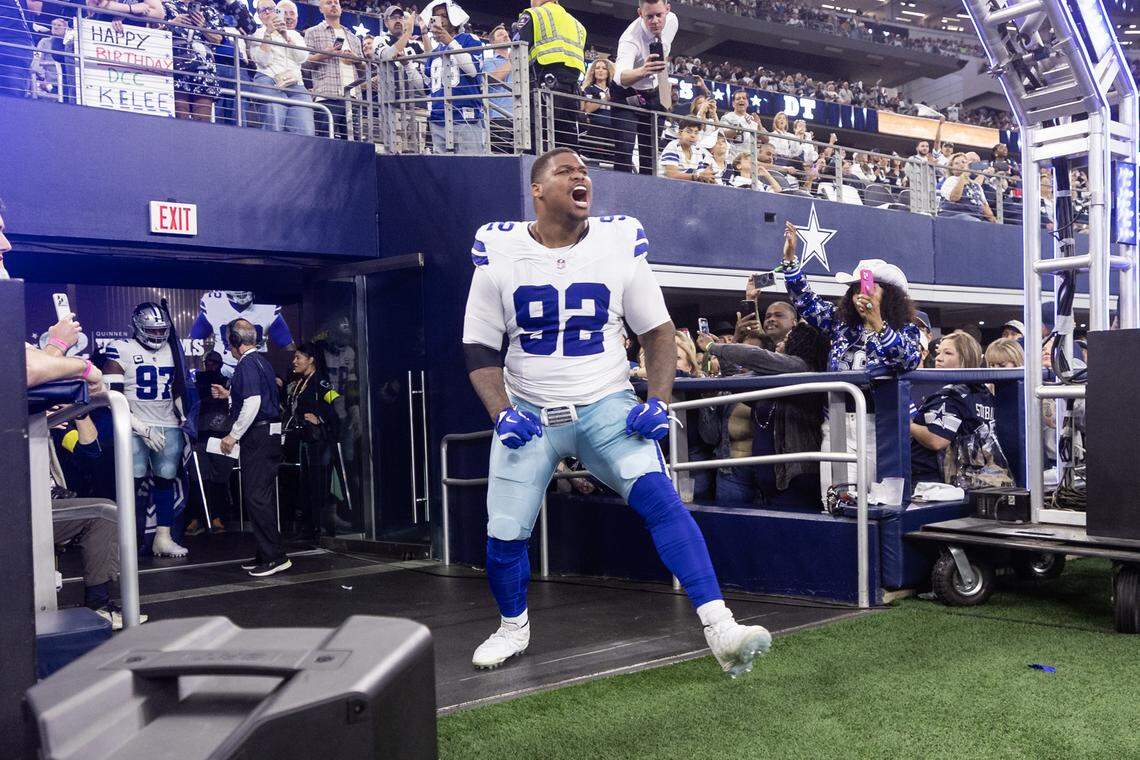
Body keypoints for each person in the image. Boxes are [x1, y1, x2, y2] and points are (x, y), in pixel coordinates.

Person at [461, 147, 771, 676]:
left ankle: (720, 626)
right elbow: (479, 346)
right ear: (537, 190)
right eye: (566, 171)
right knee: (505, 529)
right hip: (531, 412)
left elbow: (657, 329)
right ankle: (514, 625)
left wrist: (657, 399)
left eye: (585, 171)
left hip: (605, 404)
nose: (581, 177)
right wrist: (501, 411)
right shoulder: (500, 249)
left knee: (662, 503)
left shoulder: (618, 241)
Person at [779, 221, 921, 497]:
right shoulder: (840, 324)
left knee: (881, 504)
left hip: (879, 426)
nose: (859, 296)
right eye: (855, 290)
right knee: (836, 500)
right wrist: (790, 261)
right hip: (837, 422)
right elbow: (807, 302)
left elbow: (907, 360)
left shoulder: (906, 328)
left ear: (889, 295)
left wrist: (878, 323)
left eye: (867, 289)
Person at [103, 303, 190, 558]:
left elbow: (176, 387)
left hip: (167, 424)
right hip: (132, 424)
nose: (157, 335)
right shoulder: (121, 349)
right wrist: (141, 428)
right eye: (152, 330)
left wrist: (184, 413)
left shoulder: (172, 350)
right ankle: (124, 540)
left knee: (165, 479)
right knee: (131, 481)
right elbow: (113, 397)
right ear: (138, 327)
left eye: (162, 330)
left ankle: (162, 537)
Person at [220, 318, 289, 576]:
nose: (228, 346)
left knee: (256, 497)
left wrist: (233, 435)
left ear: (236, 341)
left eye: (229, 341)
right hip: (267, 435)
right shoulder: (261, 361)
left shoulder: (247, 363)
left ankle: (274, 556)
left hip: (258, 435)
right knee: (262, 495)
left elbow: (253, 402)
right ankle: (266, 553)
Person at [910, 331, 996, 485]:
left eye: (947, 353)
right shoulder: (982, 391)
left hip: (938, 481)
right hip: (972, 477)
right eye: (938, 352)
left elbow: (937, 440)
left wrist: (908, 424)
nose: (938, 358)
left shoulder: (953, 394)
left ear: (965, 357)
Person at [284, 342, 343, 541]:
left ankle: (321, 527)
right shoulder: (300, 381)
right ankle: (308, 527)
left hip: (319, 442)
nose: (294, 361)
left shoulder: (321, 382)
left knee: (319, 484)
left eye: (298, 357)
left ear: (311, 360)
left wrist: (321, 419)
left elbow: (336, 403)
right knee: (306, 484)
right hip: (305, 441)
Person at [612, 0, 677, 174]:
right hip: (627, 94)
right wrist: (642, 71)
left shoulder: (673, 21)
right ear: (640, 13)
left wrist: (663, 90)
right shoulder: (630, 39)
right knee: (624, 151)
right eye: (649, 16)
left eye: (659, 15)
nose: (655, 21)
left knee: (650, 157)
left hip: (654, 93)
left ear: (668, 10)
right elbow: (619, 77)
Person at [512, 0, 585, 151]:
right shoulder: (578, 25)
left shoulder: (534, 14)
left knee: (537, 147)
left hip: (542, 90)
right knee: (567, 148)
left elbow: (516, 48)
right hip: (571, 94)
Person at [420, 0, 484, 154]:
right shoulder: (434, 51)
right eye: (435, 16)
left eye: (443, 15)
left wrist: (450, 42)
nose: (440, 19)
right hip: (438, 119)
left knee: (470, 171)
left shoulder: (470, 39)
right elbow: (425, 86)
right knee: (443, 175)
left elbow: (472, 70)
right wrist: (407, 66)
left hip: (465, 117)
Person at [189, 290, 294, 378]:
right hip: (222, 369)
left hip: (256, 368)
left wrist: (285, 375)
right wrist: (193, 368)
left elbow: (287, 344)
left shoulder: (267, 305)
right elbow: (193, 340)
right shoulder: (214, 303)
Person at [250, 0, 315, 135]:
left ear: (277, 11)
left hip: (296, 84)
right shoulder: (257, 34)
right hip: (268, 79)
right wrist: (268, 33)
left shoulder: (294, 34)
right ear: (259, 15)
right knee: (275, 118)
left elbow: (302, 57)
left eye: (270, 8)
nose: (267, 12)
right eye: (263, 10)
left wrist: (286, 36)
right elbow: (264, 61)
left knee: (306, 128)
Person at [186, 351, 233, 535]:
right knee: (198, 479)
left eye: (215, 362)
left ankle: (218, 517)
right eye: (208, 362)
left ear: (221, 364)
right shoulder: (197, 382)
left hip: (223, 435)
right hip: (201, 436)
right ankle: (197, 518)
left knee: (220, 480)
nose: (211, 365)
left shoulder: (228, 382)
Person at [304, 0, 365, 139]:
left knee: (354, 144)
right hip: (327, 95)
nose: (333, 5)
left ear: (341, 9)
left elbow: (364, 69)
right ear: (320, 9)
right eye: (328, 2)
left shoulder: (353, 37)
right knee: (326, 141)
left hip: (353, 97)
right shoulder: (312, 32)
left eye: (336, 2)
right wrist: (323, 55)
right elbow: (304, 63)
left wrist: (356, 59)